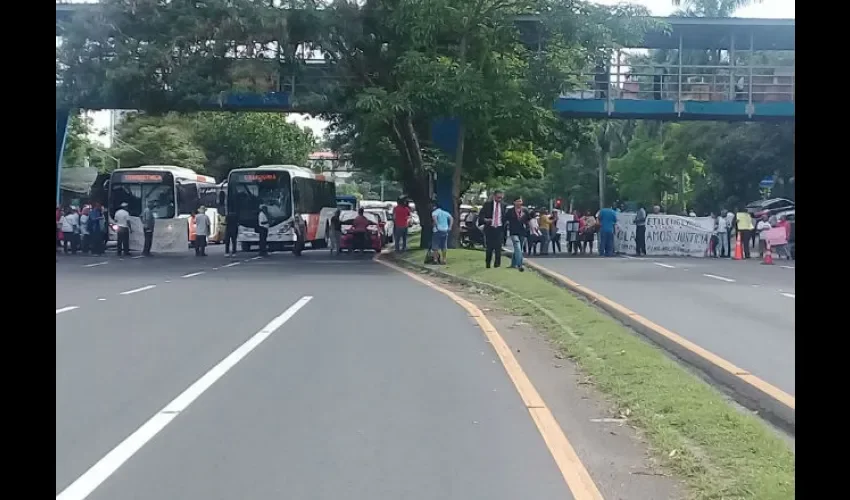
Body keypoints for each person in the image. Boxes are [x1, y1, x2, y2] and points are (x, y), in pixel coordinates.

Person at [478, 190, 506, 268]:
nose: (500, 199)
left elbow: (505, 217)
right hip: (490, 228)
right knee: (489, 247)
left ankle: (497, 265)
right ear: (494, 196)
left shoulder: (504, 205)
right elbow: (481, 215)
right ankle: (488, 263)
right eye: (498, 197)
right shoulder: (487, 205)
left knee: (498, 247)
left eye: (501, 197)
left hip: (499, 228)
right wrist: (485, 220)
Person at [505, 198, 530, 271]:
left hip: (522, 232)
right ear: (514, 202)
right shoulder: (510, 211)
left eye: (520, 201)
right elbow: (505, 220)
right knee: (517, 247)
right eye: (517, 201)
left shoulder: (525, 210)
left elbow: (529, 220)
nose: (519, 203)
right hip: (513, 232)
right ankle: (520, 265)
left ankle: (513, 264)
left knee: (519, 249)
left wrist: (532, 229)